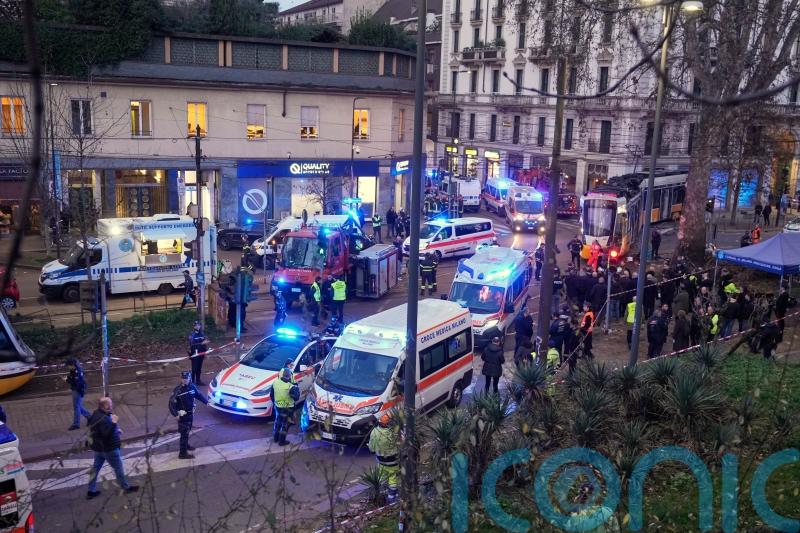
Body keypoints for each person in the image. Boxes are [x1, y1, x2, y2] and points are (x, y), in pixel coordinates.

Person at [86, 397, 139, 499]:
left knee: (95, 469)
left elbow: (99, 431)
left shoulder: (96, 414)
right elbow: (106, 435)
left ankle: (91, 491)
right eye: (110, 404)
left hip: (98, 448)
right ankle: (125, 487)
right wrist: (114, 423)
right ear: (105, 406)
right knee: (118, 468)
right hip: (109, 449)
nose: (112, 405)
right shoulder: (103, 419)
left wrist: (116, 430)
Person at [169, 371, 208, 459]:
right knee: (184, 433)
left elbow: (198, 395)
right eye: (183, 378)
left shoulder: (192, 387)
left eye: (186, 378)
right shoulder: (177, 390)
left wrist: (206, 402)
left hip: (190, 414)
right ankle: (182, 453)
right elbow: (171, 404)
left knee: (187, 431)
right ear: (180, 379)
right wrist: (176, 414)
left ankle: (186, 445)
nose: (184, 380)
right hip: (183, 415)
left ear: (189, 378)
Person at [367, 413, 400, 504]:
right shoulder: (394, 432)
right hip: (393, 461)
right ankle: (391, 498)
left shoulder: (375, 432)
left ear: (379, 422)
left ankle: (381, 495)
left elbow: (372, 448)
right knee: (392, 478)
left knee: (382, 477)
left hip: (381, 460)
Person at [272, 368, 299, 446]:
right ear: (290, 376)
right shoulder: (290, 386)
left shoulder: (275, 382)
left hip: (278, 406)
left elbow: (271, 395)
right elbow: (296, 398)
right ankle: (282, 441)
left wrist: (275, 403)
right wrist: (296, 388)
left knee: (278, 422)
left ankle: (275, 438)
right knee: (285, 424)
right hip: (288, 408)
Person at [66, 358, 90, 431]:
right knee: (78, 406)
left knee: (77, 407)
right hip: (77, 390)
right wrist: (68, 379)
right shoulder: (74, 370)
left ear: (72, 365)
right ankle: (90, 417)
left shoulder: (77, 372)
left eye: (68, 365)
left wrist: (67, 380)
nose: (67, 367)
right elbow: (73, 379)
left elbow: (76, 383)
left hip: (78, 391)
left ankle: (76, 424)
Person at [187, 321, 208, 386]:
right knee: (194, 368)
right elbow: (192, 344)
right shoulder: (192, 334)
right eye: (196, 325)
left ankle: (198, 381)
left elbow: (205, 341)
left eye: (199, 325)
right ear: (194, 327)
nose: (198, 326)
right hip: (194, 354)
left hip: (201, 353)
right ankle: (192, 382)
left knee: (199, 368)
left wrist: (205, 352)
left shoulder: (202, 333)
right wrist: (201, 343)